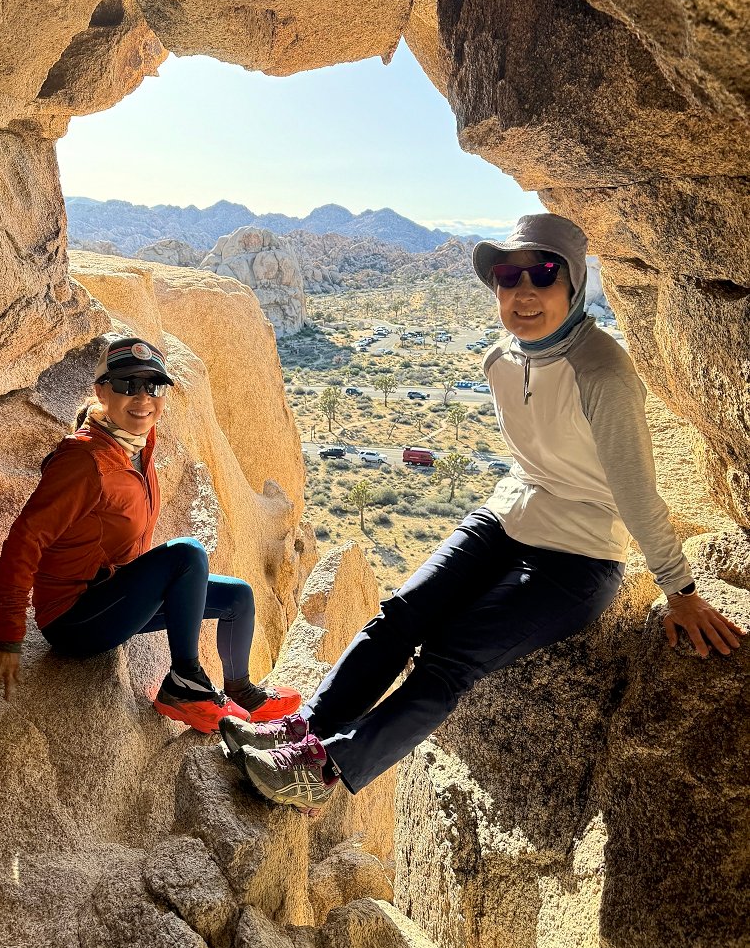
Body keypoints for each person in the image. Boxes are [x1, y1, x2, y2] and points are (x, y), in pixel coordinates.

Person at [220, 213, 745, 811]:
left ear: (573, 285)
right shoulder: (500, 360)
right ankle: (302, 731)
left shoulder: (602, 371)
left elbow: (636, 491)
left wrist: (681, 590)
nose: (524, 292)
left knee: (449, 657)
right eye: (507, 276)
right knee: (398, 617)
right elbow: (531, 460)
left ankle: (321, 770)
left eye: (542, 274)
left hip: (577, 555)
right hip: (506, 516)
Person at [0, 334, 300, 732]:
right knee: (186, 553)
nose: (142, 397)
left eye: (153, 386)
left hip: (116, 596)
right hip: (75, 619)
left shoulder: (137, 445)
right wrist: (7, 637)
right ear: (101, 392)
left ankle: (242, 693)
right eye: (127, 384)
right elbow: (23, 542)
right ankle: (185, 685)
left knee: (238, 597)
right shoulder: (83, 461)